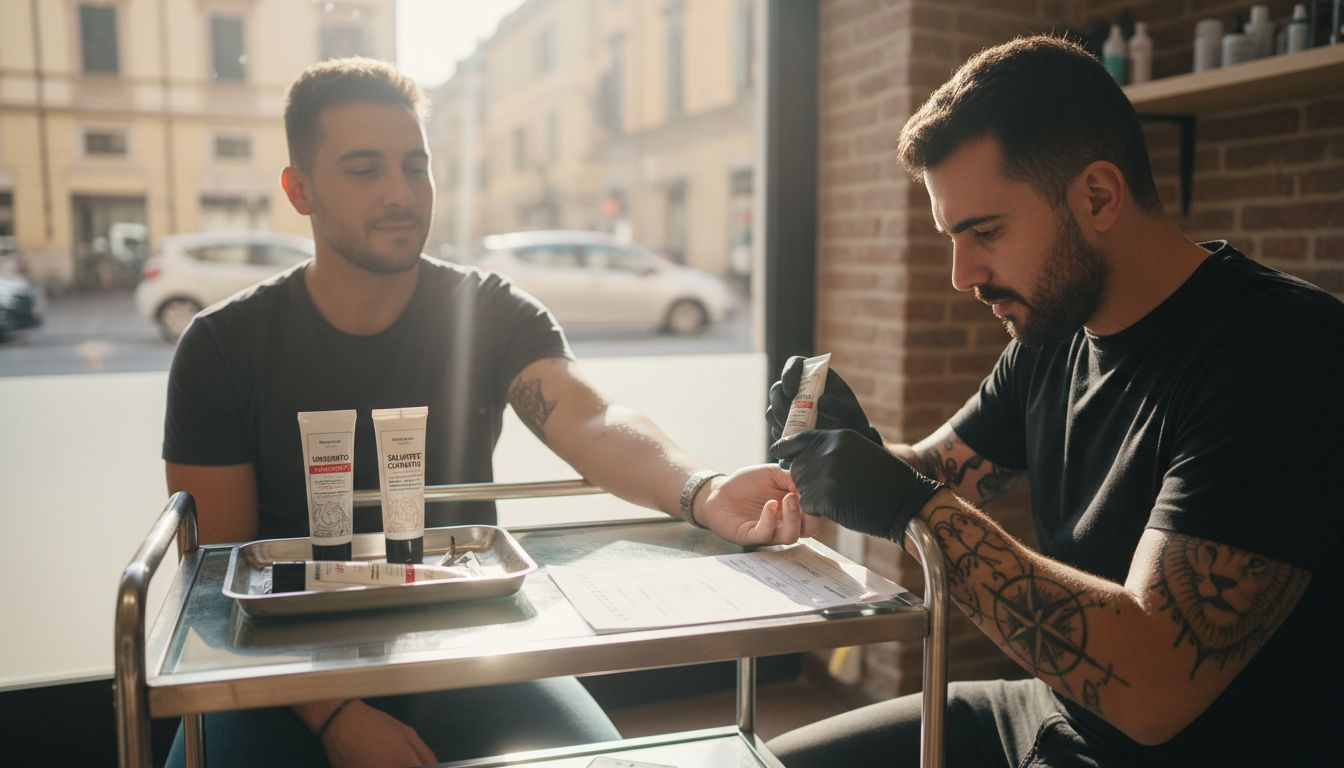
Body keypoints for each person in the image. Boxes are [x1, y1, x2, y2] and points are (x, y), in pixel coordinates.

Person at [161, 57, 814, 768]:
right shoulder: (223, 346)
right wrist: (337, 714)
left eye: (416, 166)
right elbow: (221, 573)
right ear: (300, 190)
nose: (400, 192)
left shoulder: (489, 311)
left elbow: (592, 420)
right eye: (364, 169)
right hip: (278, 670)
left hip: (464, 640)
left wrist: (705, 490)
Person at [765, 35, 1343, 767]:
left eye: (985, 232)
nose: (961, 272)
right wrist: (849, 451)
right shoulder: (1052, 338)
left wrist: (904, 501)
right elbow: (937, 473)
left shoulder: (1282, 354)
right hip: (1046, 708)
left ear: (1098, 196)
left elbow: (1151, 689)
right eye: (952, 237)